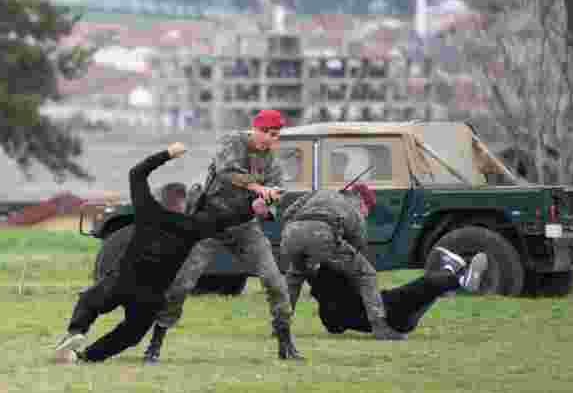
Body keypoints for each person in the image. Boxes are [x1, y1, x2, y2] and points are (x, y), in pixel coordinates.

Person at [54, 143, 256, 364]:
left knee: (89, 301)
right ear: (187, 206)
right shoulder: (195, 226)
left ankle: (76, 332)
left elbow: (136, 173)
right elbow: (233, 218)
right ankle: (88, 356)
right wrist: (257, 206)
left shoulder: (148, 211)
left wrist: (168, 154)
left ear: (162, 200)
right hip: (150, 297)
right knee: (132, 333)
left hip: (122, 281)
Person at [146, 109, 298, 363]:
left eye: (277, 135)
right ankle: (154, 345)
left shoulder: (272, 163)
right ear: (257, 129)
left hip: (244, 227)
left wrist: (265, 206)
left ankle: (286, 345)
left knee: (275, 282)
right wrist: (258, 187)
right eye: (270, 134)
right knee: (182, 284)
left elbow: (274, 198)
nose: (273, 140)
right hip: (209, 223)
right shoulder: (233, 142)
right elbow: (226, 170)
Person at [280, 183, 402, 340]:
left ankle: (280, 325)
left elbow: (287, 213)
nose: (366, 214)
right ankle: (379, 326)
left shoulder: (321, 192)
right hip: (321, 235)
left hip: (291, 234)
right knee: (367, 273)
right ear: (362, 201)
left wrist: (298, 229)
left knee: (294, 278)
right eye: (368, 209)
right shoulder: (355, 211)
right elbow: (357, 246)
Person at [302, 248, 489, 335]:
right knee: (425, 286)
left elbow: (335, 329)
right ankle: (463, 280)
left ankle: (449, 270)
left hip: (401, 325)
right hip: (389, 311)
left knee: (428, 290)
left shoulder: (327, 313)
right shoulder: (339, 276)